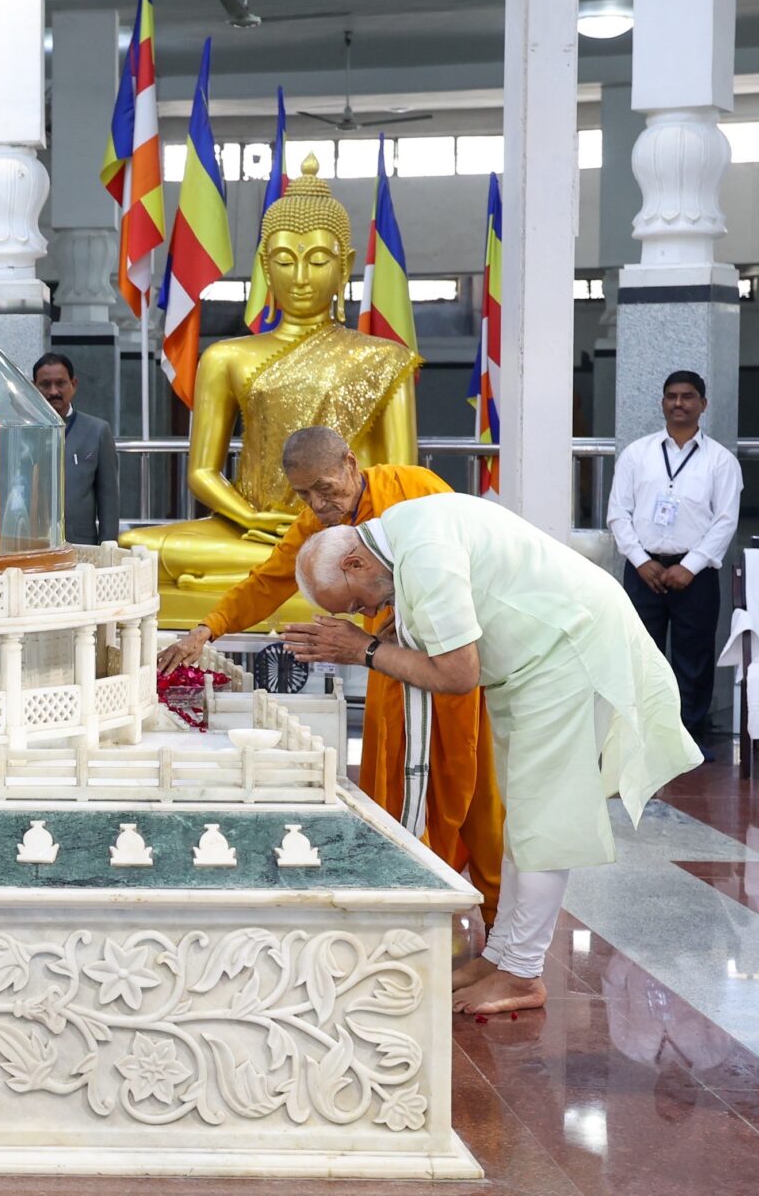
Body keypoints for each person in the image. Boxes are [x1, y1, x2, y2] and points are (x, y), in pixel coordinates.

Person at [285, 495, 700, 1016]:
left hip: (565, 652)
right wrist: (394, 631)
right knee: (521, 815)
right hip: (533, 663)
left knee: (543, 819)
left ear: (354, 562)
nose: (368, 614)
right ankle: (501, 956)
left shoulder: (423, 553)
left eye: (355, 604)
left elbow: (458, 676)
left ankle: (523, 972)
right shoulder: (401, 534)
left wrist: (363, 650)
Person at [157, 427, 504, 923]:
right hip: (387, 661)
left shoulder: (416, 489)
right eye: (304, 495)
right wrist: (206, 629)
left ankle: (495, 913)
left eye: (325, 488)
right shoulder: (314, 524)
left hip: (450, 657)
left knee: (474, 788)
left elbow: (466, 565)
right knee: (392, 779)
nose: (319, 505)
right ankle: (408, 903)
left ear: (350, 463)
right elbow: (268, 580)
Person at [119, 156, 419, 627]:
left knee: (354, 558)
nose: (299, 278)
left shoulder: (384, 358)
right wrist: (251, 519)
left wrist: (348, 525)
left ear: (344, 267)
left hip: (351, 533)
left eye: (317, 261)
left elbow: (399, 478)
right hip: (248, 532)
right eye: (283, 261)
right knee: (137, 548)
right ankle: (291, 575)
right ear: (264, 265)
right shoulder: (227, 357)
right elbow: (203, 471)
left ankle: (267, 576)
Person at [606, 371, 742, 759]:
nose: (679, 403)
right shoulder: (637, 454)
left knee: (693, 659)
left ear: (703, 404)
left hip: (695, 575)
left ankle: (686, 742)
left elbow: (725, 521)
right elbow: (618, 513)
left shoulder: (720, 461)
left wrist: (691, 566)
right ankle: (640, 740)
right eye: (671, 396)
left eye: (688, 396)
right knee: (640, 655)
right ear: (663, 402)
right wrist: (641, 560)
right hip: (643, 570)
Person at [33, 352, 122, 546]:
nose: (53, 391)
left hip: (81, 546)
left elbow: (108, 499)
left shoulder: (97, 431)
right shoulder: (23, 431)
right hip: (30, 543)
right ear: (33, 387)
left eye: (60, 383)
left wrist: (108, 547)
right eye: (45, 384)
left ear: (73, 384)